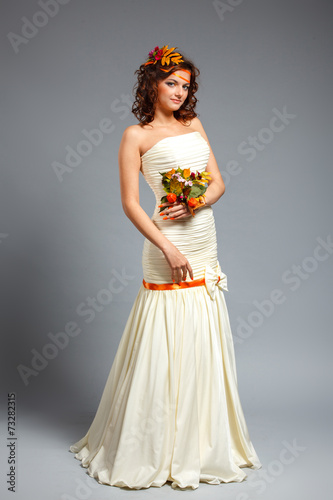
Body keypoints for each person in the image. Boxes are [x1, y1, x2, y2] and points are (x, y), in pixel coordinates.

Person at [69, 44, 262, 490]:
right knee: (165, 330)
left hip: (203, 235)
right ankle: (150, 445)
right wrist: (168, 248)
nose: (179, 92)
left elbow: (218, 183)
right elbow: (130, 205)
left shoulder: (193, 123)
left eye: (186, 86)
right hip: (166, 242)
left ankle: (199, 444)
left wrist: (194, 201)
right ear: (151, 83)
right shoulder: (134, 136)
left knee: (202, 328)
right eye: (172, 82)